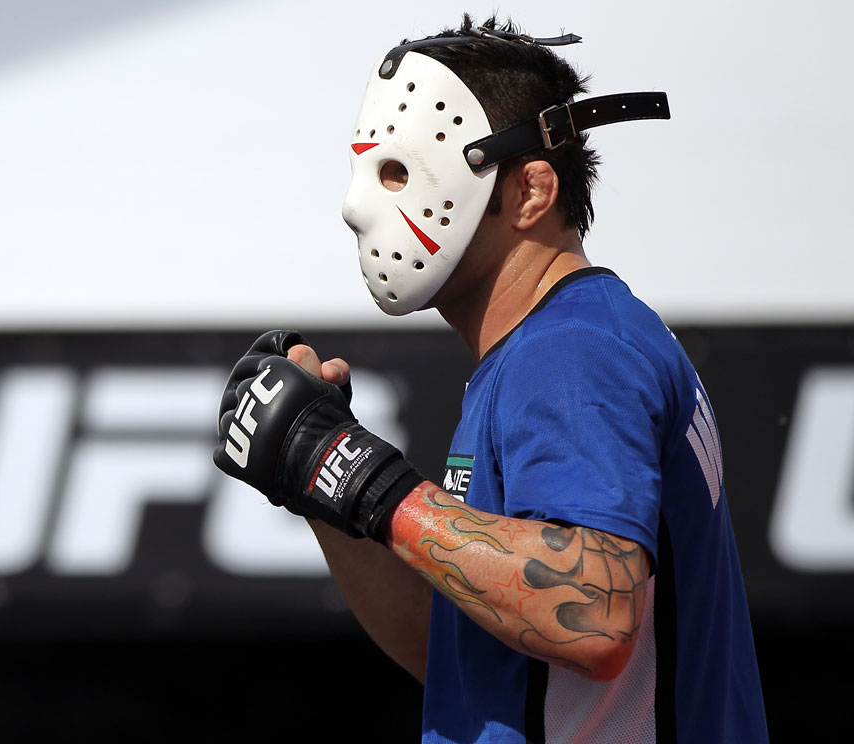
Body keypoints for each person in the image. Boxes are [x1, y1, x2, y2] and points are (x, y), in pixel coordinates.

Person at [214, 14, 768, 743]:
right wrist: (322, 488)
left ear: (532, 192)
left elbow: (592, 612)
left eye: (400, 172)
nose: (361, 208)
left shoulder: (570, 351)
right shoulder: (558, 344)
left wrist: (368, 482)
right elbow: (464, 661)